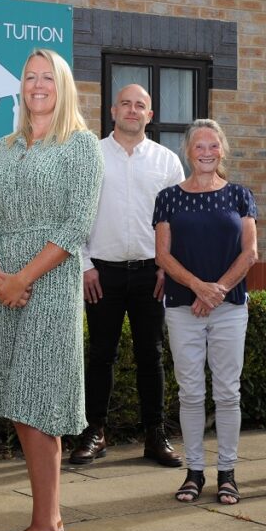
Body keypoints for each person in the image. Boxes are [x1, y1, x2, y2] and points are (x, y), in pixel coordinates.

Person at [0, 48, 104, 531]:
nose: (37, 85)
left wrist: (22, 277)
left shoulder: (81, 146)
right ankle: (47, 520)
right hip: (3, 285)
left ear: (63, 86)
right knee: (18, 403)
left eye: (47, 77)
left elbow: (75, 226)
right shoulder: (3, 147)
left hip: (48, 287)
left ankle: (45, 527)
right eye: (29, 77)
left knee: (38, 402)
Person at [70, 84, 185, 468]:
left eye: (141, 105)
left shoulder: (167, 162)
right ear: (113, 111)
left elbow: (178, 222)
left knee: (151, 355)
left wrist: (170, 268)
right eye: (126, 104)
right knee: (101, 355)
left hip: (152, 273)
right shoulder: (92, 157)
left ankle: (155, 435)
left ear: (150, 115)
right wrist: (85, 265)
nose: (133, 110)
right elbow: (74, 214)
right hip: (102, 273)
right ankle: (95, 433)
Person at [154, 119, 257, 505]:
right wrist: (199, 288)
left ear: (223, 150)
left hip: (230, 307)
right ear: (188, 150)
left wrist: (218, 291)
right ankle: (194, 473)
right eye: (200, 145)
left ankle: (227, 473)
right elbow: (162, 254)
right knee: (191, 392)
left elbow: (250, 252)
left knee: (228, 392)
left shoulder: (240, 196)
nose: (207, 152)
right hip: (183, 307)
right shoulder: (168, 198)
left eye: (214, 145)